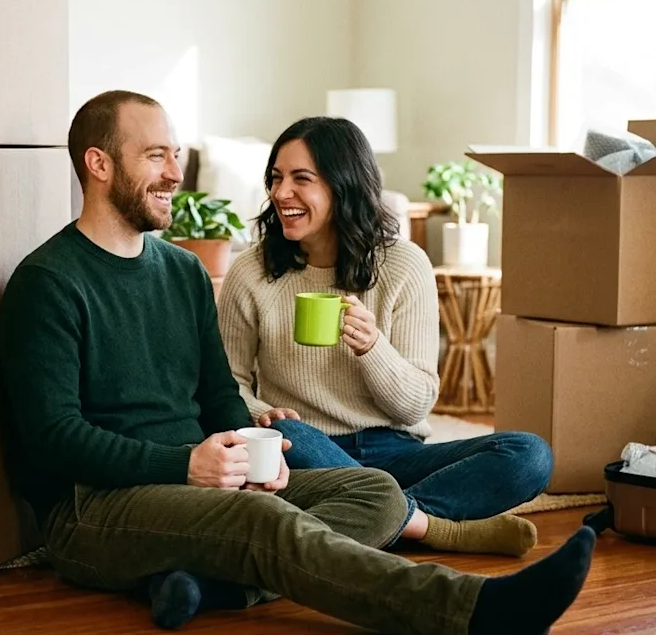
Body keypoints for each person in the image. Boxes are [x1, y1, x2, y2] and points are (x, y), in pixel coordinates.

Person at [0, 89, 595, 635]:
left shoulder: (181, 273)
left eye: (175, 155)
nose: (175, 174)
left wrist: (258, 455)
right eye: (156, 156)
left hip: (198, 480)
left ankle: (210, 585)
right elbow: (52, 441)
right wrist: (185, 463)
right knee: (260, 520)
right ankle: (478, 610)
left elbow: (216, 392)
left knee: (374, 493)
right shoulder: (49, 281)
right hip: (91, 507)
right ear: (98, 164)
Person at [217, 116, 552, 559]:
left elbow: (415, 404)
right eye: (276, 179)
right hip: (309, 451)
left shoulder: (404, 265)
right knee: (286, 434)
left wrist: (374, 349)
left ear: (344, 185)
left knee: (529, 455)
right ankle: (431, 527)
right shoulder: (251, 271)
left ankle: (378, 518)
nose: (281, 194)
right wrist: (261, 412)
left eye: (301, 179)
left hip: (395, 452)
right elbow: (226, 384)